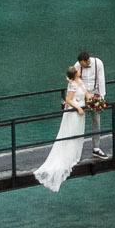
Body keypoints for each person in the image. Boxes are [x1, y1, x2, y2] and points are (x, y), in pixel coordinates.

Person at [35, 63, 89, 192]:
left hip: (82, 110)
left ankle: (75, 154)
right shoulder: (72, 85)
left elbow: (86, 92)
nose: (79, 71)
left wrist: (92, 100)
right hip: (75, 111)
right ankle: (69, 156)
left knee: (78, 132)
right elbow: (69, 100)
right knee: (72, 132)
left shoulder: (80, 81)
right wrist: (78, 108)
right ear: (74, 74)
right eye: (77, 70)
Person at [78, 48, 108, 159]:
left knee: (96, 121)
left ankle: (96, 148)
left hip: (94, 95)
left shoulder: (98, 63)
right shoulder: (78, 65)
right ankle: (75, 150)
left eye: (83, 64)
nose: (82, 66)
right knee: (78, 121)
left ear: (87, 60)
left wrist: (101, 97)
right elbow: (75, 80)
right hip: (82, 96)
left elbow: (101, 79)